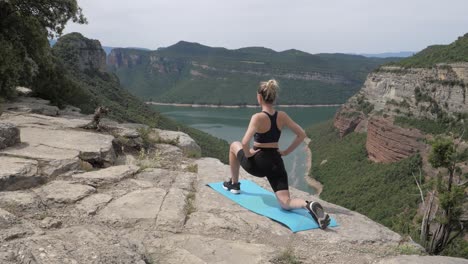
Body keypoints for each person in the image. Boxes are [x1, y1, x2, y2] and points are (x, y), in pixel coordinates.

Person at [223, 79, 330, 229]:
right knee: (285, 203)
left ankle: (234, 184)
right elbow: (302, 134)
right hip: (276, 161)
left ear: (259, 97)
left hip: (258, 163)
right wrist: (286, 152)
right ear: (274, 98)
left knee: (234, 145)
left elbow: (245, 142)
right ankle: (308, 205)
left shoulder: (257, 117)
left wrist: (248, 155)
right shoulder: (282, 116)